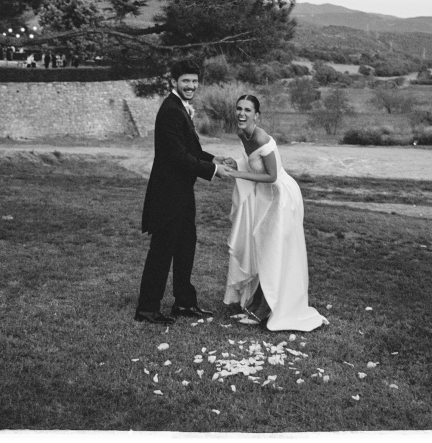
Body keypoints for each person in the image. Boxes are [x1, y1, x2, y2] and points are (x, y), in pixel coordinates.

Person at [136, 60, 236, 326]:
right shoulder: (170, 110)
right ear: (174, 82)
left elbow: (190, 149)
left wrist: (214, 159)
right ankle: (147, 308)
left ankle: (184, 302)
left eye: (194, 81)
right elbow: (178, 156)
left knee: (185, 247)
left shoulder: (179, 107)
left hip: (182, 192)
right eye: (185, 81)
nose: (191, 85)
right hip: (168, 194)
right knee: (162, 250)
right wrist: (213, 171)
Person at [222, 94, 327, 332]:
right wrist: (237, 164)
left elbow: (271, 175)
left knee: (273, 251)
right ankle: (258, 304)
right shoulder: (242, 134)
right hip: (266, 197)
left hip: (281, 197)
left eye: (248, 110)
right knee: (263, 249)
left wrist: (237, 174)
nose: (241, 114)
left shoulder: (261, 137)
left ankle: (266, 308)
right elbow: (251, 162)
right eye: (239, 108)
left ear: (256, 115)